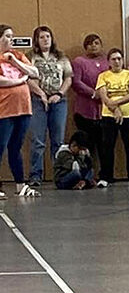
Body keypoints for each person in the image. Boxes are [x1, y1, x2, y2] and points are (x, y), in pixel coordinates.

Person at [27, 25, 72, 187]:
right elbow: (27, 78)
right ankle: (35, 175)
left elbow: (68, 78)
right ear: (36, 41)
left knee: (58, 140)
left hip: (58, 101)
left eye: (47, 37)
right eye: (41, 37)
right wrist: (41, 94)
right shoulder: (31, 57)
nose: (45, 40)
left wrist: (59, 94)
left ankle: (59, 174)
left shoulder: (61, 57)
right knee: (38, 140)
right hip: (38, 100)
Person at [0, 24, 41, 198]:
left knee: (15, 147)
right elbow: (2, 81)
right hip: (4, 109)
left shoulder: (17, 55)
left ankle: (20, 184)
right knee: (0, 146)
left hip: (23, 109)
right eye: (8, 36)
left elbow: (35, 72)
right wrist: (21, 80)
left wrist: (14, 62)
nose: (11, 39)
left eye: (12, 36)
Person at [95, 48, 129, 188]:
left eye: (119, 58)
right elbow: (104, 97)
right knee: (107, 146)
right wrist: (115, 110)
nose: (117, 61)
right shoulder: (103, 76)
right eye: (113, 59)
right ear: (109, 61)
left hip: (128, 114)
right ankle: (106, 177)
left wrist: (116, 105)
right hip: (108, 115)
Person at [71, 34, 108, 173]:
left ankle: (105, 174)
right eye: (90, 43)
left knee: (104, 145)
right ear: (85, 46)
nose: (93, 46)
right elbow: (76, 82)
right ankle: (86, 174)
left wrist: (104, 94)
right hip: (84, 110)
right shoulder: (79, 61)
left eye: (97, 43)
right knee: (86, 145)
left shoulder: (106, 61)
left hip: (104, 110)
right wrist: (93, 93)